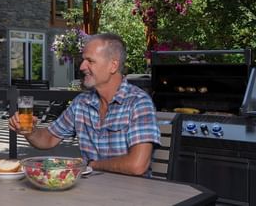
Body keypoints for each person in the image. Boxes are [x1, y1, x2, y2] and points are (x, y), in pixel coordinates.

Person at [9, 33, 160, 176]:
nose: (81, 67)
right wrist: (31, 131)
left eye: (90, 61)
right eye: (83, 60)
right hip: (90, 190)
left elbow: (137, 165)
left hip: (132, 194)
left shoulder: (138, 102)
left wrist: (92, 165)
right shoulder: (81, 103)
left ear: (113, 66)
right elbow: (48, 139)